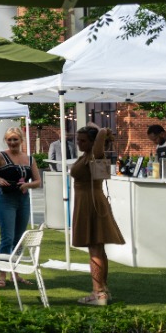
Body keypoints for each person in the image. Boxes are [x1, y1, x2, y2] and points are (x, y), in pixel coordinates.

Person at [0, 127, 41, 287]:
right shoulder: (1, 156)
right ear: (6, 141)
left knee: (19, 239)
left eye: (15, 139)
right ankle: (2, 275)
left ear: (21, 140)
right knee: (7, 237)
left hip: (23, 199)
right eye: (9, 140)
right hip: (6, 199)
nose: (12, 142)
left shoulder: (29, 159)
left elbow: (38, 181)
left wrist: (27, 185)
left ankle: (16, 273)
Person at [72, 125, 125, 305]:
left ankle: (98, 292)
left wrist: (102, 131)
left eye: (83, 140)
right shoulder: (87, 156)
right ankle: (103, 289)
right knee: (98, 248)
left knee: (95, 247)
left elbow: (99, 142)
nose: (79, 143)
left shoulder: (95, 154)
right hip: (89, 201)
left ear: (94, 143)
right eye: (77, 139)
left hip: (90, 203)